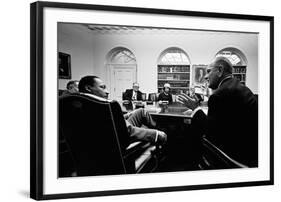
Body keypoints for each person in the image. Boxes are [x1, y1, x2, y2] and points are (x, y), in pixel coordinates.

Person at [178, 57, 258, 167]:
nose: (206, 77)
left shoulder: (220, 94)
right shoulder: (239, 87)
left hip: (234, 157)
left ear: (220, 70)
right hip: (252, 151)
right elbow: (224, 123)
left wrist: (195, 109)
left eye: (209, 71)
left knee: (191, 135)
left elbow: (210, 131)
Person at [78, 76, 167, 144]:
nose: (107, 91)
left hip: (114, 132)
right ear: (88, 88)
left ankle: (158, 126)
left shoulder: (80, 103)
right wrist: (156, 134)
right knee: (162, 134)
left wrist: (125, 115)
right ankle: (161, 129)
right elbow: (129, 131)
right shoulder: (103, 105)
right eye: (102, 87)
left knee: (140, 111)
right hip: (120, 139)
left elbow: (110, 120)